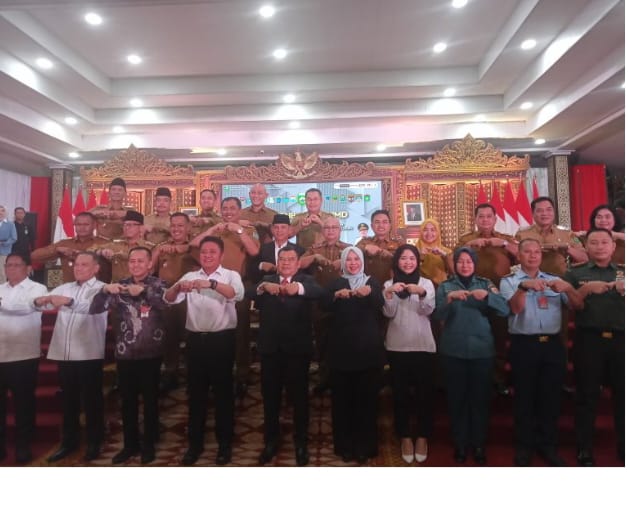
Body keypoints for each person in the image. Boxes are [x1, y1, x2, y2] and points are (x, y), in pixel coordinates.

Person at [499, 239, 582, 467]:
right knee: (524, 398)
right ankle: (524, 447)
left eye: (537, 252)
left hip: (552, 345)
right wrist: (523, 288)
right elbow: (515, 308)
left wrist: (568, 288)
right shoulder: (509, 281)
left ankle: (548, 446)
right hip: (524, 344)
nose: (533, 255)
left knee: (551, 398)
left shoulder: (554, 280)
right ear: (519, 255)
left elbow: (577, 305)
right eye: (527, 252)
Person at [164, 236, 244, 466]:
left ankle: (224, 444)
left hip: (222, 341)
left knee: (223, 395)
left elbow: (236, 294)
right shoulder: (190, 276)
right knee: (196, 394)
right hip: (195, 342)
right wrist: (177, 287)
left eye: (212, 252)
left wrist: (211, 284)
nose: (207, 255)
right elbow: (168, 298)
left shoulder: (230, 275)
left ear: (221, 255)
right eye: (204, 252)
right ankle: (194, 445)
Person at [89, 247, 167, 465]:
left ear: (150, 264)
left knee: (150, 401)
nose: (135, 265)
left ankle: (149, 444)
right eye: (132, 261)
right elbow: (95, 308)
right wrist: (104, 290)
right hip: (125, 353)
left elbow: (165, 304)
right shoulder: (119, 285)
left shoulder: (159, 284)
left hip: (151, 352)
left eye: (141, 261)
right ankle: (130, 444)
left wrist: (142, 292)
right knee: (127, 401)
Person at [249, 245, 325, 466]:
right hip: (270, 350)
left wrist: (297, 288)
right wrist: (263, 287)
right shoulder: (267, 279)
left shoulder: (306, 280)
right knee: (270, 399)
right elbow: (248, 293)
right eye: (282, 259)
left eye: (290, 259)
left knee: (300, 399)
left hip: (297, 351)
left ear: (298, 263)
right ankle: (271, 441)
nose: (285, 263)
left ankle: (301, 442)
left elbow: (320, 293)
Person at [434, 247, 509, 465]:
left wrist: (487, 297)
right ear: (454, 264)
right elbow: (437, 315)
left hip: (481, 351)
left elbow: (504, 309)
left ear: (475, 264)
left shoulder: (486, 284)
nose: (465, 265)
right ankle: (459, 443)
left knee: (480, 400)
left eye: (469, 261)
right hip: (453, 350)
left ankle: (478, 444)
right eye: (460, 261)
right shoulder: (446, 286)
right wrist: (449, 300)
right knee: (456, 399)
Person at [34, 252, 108, 463]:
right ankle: (69, 441)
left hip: (88, 353)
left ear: (96, 268)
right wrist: (40, 300)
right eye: (76, 264)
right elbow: (45, 304)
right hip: (64, 353)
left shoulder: (102, 288)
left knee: (92, 401)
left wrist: (69, 302)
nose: (78, 268)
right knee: (68, 401)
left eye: (84, 264)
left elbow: (93, 308)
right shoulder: (65, 287)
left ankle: (94, 441)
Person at [563, 229, 625, 466]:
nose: (600, 247)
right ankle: (584, 448)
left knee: (623, 396)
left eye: (604, 242)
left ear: (613, 246)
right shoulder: (575, 273)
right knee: (586, 395)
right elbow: (572, 306)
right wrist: (586, 289)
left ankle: (624, 447)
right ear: (586, 247)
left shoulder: (624, 271)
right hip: (589, 340)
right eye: (594, 243)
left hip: (621, 341)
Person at [320, 246, 384, 464]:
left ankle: (365, 446)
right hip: (341, 351)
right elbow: (323, 304)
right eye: (349, 260)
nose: (353, 263)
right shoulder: (336, 283)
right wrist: (336, 296)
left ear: (362, 261)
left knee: (366, 403)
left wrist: (370, 293)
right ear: (343, 262)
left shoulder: (372, 282)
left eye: (357, 259)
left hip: (367, 351)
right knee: (342, 403)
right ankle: (345, 446)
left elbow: (380, 303)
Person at [191, 197, 260, 397]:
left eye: (232, 208)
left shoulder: (247, 230)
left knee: (241, 331)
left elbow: (254, 251)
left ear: (240, 211)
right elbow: (193, 245)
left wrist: (238, 230)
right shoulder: (215, 230)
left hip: (237, 283)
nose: (228, 211)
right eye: (225, 208)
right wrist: (214, 229)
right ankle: (215, 374)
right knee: (214, 330)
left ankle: (242, 374)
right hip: (213, 283)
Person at [454, 203, 519, 396]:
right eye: (481, 216)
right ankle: (475, 380)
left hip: (499, 296)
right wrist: (470, 245)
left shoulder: (506, 238)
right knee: (473, 337)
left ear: (495, 219)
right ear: (475, 219)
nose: (485, 220)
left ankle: (498, 379)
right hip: (471, 295)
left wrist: (504, 244)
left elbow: (522, 255)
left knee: (499, 338)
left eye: (489, 216)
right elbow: (453, 259)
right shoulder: (466, 239)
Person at [382, 244, 437, 464]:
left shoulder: (426, 283)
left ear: (417, 261)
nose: (407, 262)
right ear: (397, 262)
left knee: (425, 394)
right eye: (403, 258)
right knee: (400, 395)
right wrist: (389, 294)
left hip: (423, 346)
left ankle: (422, 436)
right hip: (397, 346)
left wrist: (421, 293)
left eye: (411, 258)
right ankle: (405, 436)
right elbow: (388, 313)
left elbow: (428, 310)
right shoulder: (389, 284)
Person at [0, 253, 48, 463]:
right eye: (8, 265)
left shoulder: (37, 289)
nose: (11, 269)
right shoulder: (0, 289)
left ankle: (23, 446)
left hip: (23, 356)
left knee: (23, 404)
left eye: (16, 265)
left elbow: (27, 307)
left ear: (28, 268)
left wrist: (2, 306)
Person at [300, 216, 350, 393]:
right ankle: (324, 377)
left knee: (342, 341)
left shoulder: (348, 249)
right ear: (322, 231)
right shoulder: (314, 248)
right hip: (320, 301)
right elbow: (299, 264)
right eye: (327, 228)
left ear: (340, 230)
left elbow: (360, 267)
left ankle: (341, 378)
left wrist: (344, 261)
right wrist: (314, 257)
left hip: (343, 301)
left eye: (334, 227)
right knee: (322, 341)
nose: (330, 231)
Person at [151, 212, 199, 393]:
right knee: (169, 339)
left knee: (192, 338)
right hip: (168, 299)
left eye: (180, 225)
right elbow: (150, 270)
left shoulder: (195, 247)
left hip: (190, 299)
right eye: (173, 226)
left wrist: (185, 248)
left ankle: (194, 376)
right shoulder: (161, 247)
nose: (176, 229)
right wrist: (156, 253)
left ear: (188, 228)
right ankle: (170, 374)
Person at [516, 196, 588, 275]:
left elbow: (585, 258)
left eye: (549, 210)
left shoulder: (568, 234)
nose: (544, 214)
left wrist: (567, 249)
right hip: (530, 279)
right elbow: (515, 259)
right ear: (533, 214)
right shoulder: (522, 234)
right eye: (540, 210)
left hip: (561, 278)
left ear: (554, 212)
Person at [31, 212, 110, 283]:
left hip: (97, 290)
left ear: (94, 225)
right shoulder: (65, 244)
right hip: (70, 290)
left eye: (86, 224)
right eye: (78, 224)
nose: (82, 228)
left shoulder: (104, 243)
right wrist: (57, 250)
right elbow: (34, 256)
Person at [95, 210, 154, 282]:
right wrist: (102, 251)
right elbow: (91, 250)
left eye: (131, 225)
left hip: (141, 285)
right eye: (125, 225)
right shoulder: (116, 245)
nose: (127, 228)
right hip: (117, 286)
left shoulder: (150, 248)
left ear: (141, 228)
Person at [356, 209, 404, 286]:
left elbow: (406, 261)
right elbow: (353, 251)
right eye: (377, 222)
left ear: (390, 225)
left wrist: (391, 256)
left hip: (392, 287)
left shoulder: (399, 244)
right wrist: (365, 248)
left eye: (384, 222)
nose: (381, 225)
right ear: (372, 226)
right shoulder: (365, 242)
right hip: (368, 287)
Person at [253, 213, 304, 285]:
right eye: (276, 227)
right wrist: (261, 265)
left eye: (283, 227)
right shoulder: (263, 249)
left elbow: (304, 275)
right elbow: (252, 269)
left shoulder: (299, 250)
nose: (279, 230)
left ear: (289, 229)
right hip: (267, 287)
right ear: (272, 229)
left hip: (292, 288)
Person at [416, 218, 451, 286]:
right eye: (425, 230)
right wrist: (419, 257)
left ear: (438, 232)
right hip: (420, 287)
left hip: (442, 288)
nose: (429, 233)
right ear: (421, 232)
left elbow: (454, 271)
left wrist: (444, 255)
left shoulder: (447, 252)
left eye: (433, 230)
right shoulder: (413, 251)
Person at [0, 205, 17, 284]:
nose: (0, 213)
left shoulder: (10, 224)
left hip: (3, 252)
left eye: (2, 211)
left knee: (2, 273)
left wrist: (3, 243)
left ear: (5, 213)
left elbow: (14, 238)